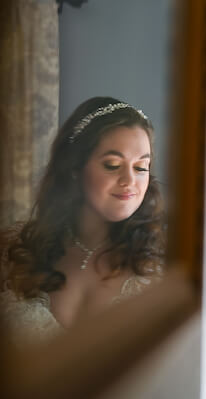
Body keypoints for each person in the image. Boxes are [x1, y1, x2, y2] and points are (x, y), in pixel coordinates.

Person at [0, 96, 165, 345]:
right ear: (75, 168)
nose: (130, 180)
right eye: (112, 165)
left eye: (141, 167)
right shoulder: (14, 249)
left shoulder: (163, 265)